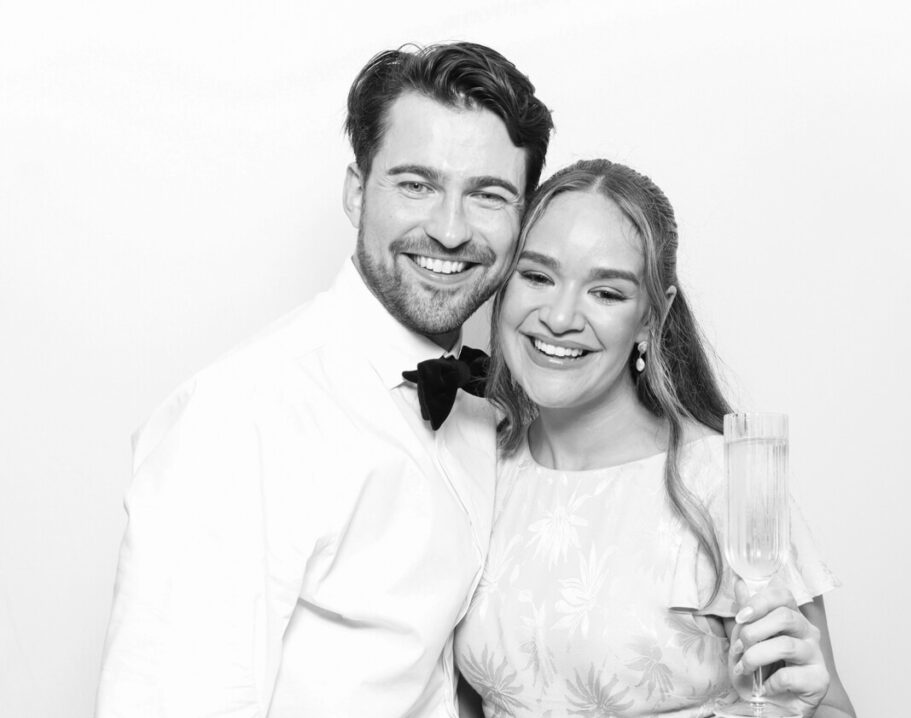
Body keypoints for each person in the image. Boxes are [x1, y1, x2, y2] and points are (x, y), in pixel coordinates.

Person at [96, 42, 553, 717]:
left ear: (523, 220)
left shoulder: (485, 413)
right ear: (356, 190)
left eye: (487, 195)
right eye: (416, 184)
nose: (450, 230)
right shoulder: (241, 418)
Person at [454, 159, 856, 717]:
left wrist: (805, 710)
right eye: (538, 276)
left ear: (652, 317)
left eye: (607, 293)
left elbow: (827, 706)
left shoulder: (730, 480)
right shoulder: (477, 463)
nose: (561, 316)